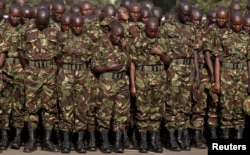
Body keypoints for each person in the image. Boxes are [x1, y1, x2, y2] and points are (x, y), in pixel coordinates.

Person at [18, 8, 60, 153]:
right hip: (32, 73)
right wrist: (29, 70)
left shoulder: (56, 28)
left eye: (44, 24)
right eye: (39, 24)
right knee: (31, 107)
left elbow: (59, 54)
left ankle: (47, 140)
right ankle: (31, 140)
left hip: (49, 72)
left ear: (48, 20)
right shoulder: (26, 28)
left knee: (49, 107)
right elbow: (21, 52)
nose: (41, 27)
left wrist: (53, 70)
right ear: (36, 19)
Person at [162, 1, 201, 151]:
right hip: (174, 68)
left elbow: (195, 51)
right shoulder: (167, 27)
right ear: (178, 12)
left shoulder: (192, 27)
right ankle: (172, 138)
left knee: (185, 104)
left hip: (189, 68)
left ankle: (182, 136)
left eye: (189, 14)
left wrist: (197, 73)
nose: (187, 17)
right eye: (184, 14)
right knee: (173, 104)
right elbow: (163, 52)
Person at [129, 17, 170, 153]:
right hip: (142, 78)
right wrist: (133, 85)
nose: (153, 33)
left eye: (155, 31)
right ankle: (143, 142)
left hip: (159, 78)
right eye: (150, 31)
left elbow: (168, 61)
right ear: (145, 28)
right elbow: (133, 64)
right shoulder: (137, 40)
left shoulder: (163, 39)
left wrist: (161, 53)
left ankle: (154, 140)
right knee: (142, 111)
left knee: (157, 111)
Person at [91, 22, 131, 153]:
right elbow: (94, 67)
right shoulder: (100, 45)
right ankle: (105, 143)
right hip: (106, 84)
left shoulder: (122, 46)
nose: (119, 39)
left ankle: (118, 143)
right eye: (117, 36)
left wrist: (125, 49)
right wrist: (108, 68)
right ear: (110, 33)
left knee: (121, 114)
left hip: (122, 84)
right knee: (104, 115)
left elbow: (128, 64)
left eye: (121, 36)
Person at [57, 13, 93, 153]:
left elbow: (91, 60)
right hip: (66, 74)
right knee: (66, 108)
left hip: (83, 75)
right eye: (75, 26)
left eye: (80, 26)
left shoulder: (88, 39)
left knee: (82, 108)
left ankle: (79, 141)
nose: (78, 28)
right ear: (70, 26)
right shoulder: (63, 38)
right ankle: (66, 141)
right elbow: (57, 57)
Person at [213, 11, 249, 140]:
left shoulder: (247, 37)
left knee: (240, 110)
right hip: (226, 76)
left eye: (240, 25)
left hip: (243, 77)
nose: (238, 27)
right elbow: (217, 60)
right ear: (230, 23)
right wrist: (217, 82)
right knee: (226, 109)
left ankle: (238, 140)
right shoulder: (222, 36)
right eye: (235, 24)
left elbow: (249, 60)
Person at [203, 6, 230, 139]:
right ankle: (212, 135)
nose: (220, 20)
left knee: (227, 103)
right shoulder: (210, 30)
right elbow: (207, 54)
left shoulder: (230, 29)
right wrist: (213, 73)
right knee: (214, 102)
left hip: (228, 72)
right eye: (219, 17)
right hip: (213, 69)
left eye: (223, 18)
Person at [0, 3, 23, 151]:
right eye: (13, 15)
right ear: (9, 14)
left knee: (20, 104)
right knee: (4, 104)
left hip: (21, 69)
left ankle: (18, 136)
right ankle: (4, 137)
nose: (15, 18)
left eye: (18, 16)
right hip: (5, 68)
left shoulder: (26, 28)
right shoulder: (1, 27)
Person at [189, 7, 207, 149]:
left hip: (202, 72)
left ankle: (197, 136)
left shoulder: (205, 31)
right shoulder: (186, 31)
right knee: (186, 105)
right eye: (194, 19)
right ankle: (186, 135)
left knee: (200, 105)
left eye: (199, 20)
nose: (197, 22)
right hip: (188, 72)